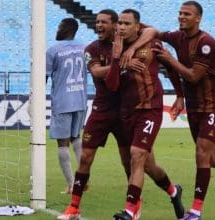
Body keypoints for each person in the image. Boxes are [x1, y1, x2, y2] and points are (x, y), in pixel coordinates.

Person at [121, 1, 215, 219]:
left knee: (201, 154)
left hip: (213, 106)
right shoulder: (176, 36)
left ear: (198, 18)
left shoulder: (206, 42)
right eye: (180, 13)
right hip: (194, 107)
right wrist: (129, 29)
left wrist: (170, 59)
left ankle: (195, 212)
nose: (181, 17)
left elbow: (193, 76)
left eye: (187, 14)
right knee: (212, 158)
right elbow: (152, 30)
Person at [56, 9, 146, 220]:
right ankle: (73, 208)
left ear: (116, 25)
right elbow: (96, 72)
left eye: (104, 22)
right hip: (101, 111)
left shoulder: (132, 44)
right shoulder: (92, 48)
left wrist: (126, 56)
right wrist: (121, 61)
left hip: (125, 111)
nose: (98, 26)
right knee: (85, 157)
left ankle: (133, 205)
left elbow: (151, 32)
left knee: (128, 161)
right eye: (97, 22)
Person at [106, 9, 184, 220]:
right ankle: (173, 191)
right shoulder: (114, 47)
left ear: (137, 26)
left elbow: (170, 68)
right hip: (126, 112)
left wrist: (179, 95)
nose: (121, 27)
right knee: (148, 165)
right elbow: (112, 85)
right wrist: (117, 60)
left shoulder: (152, 43)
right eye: (119, 23)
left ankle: (131, 210)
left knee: (136, 155)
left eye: (126, 23)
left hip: (150, 109)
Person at [46, 18, 87, 196]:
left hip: (62, 101)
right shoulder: (84, 48)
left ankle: (72, 184)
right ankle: (84, 181)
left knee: (62, 143)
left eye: (59, 26)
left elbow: (43, 77)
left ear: (67, 29)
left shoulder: (53, 50)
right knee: (76, 138)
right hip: (80, 99)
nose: (57, 29)